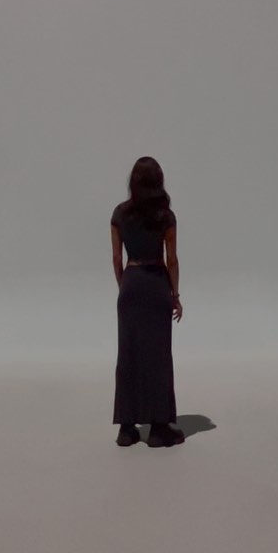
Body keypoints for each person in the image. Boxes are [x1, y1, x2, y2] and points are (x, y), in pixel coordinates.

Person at [110, 156, 185, 448]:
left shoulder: (119, 214)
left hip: (131, 281)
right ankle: (158, 427)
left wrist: (124, 286)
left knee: (128, 354)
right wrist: (175, 295)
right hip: (155, 283)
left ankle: (127, 427)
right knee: (158, 356)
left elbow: (116, 258)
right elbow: (172, 259)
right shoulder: (165, 216)